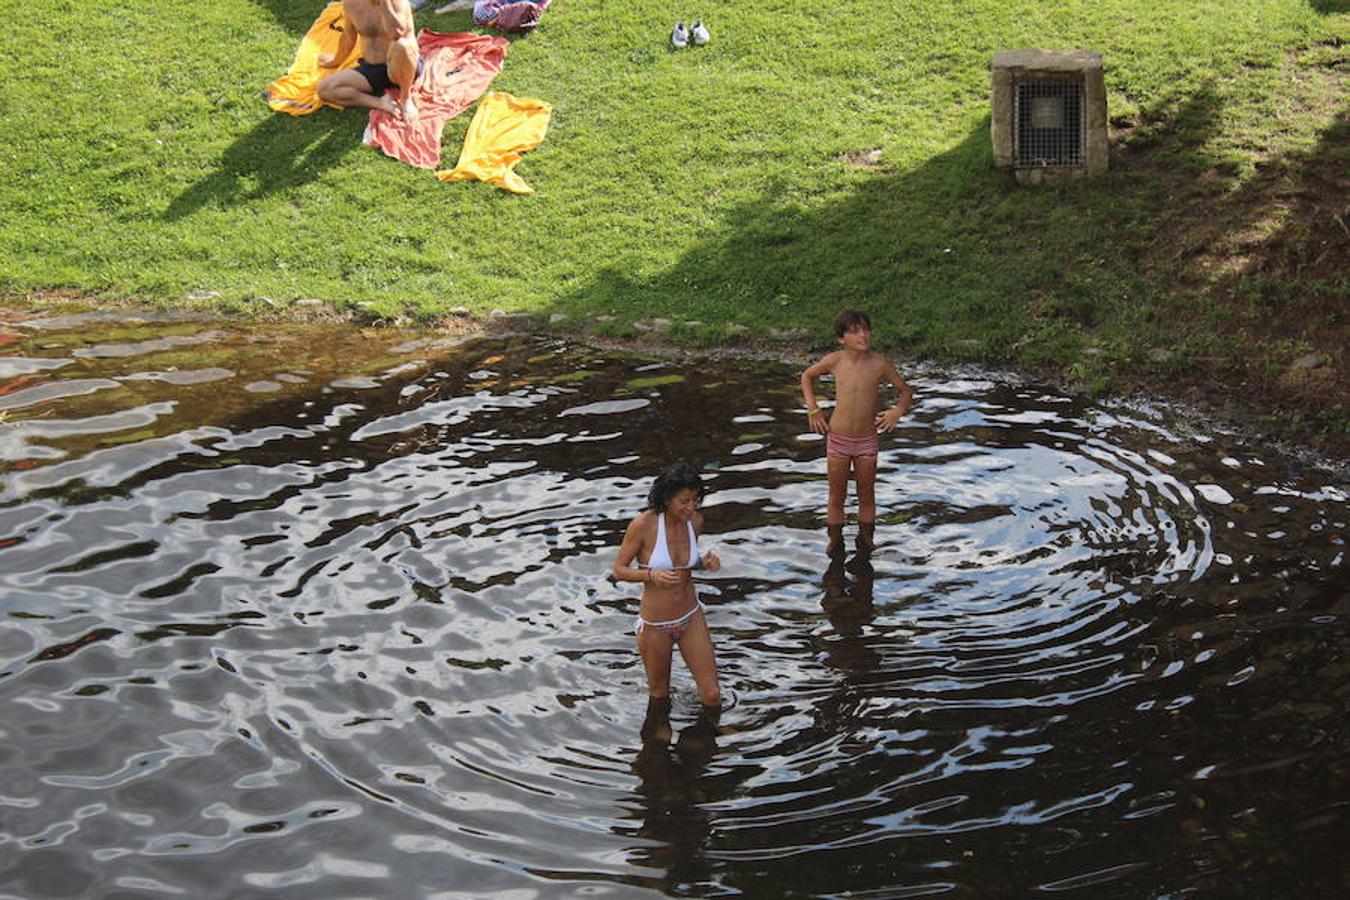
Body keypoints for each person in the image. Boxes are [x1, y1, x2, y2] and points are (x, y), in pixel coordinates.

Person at [800, 309, 915, 551]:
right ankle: (834, 544)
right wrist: (814, 409)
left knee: (866, 496)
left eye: (865, 329)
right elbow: (807, 376)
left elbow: (905, 391)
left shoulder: (879, 363)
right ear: (842, 339)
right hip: (838, 438)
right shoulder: (835, 360)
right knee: (836, 497)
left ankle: (866, 544)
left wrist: (897, 411)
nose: (862, 335)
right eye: (854, 331)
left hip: (866, 441)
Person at [611, 463, 722, 709]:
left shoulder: (695, 522)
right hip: (655, 625)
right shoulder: (643, 525)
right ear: (667, 498)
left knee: (712, 694)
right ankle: (658, 742)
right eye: (684, 501)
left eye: (695, 500)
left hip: (691, 616)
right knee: (659, 694)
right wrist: (650, 575)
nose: (691, 507)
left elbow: (686, 566)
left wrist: (704, 564)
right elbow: (618, 570)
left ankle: (713, 736)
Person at [317, 0, 422, 124]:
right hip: (372, 68)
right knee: (325, 89)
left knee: (401, 45)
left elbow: (397, 33)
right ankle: (382, 103)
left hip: (402, 65)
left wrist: (384, 4)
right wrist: (335, 60)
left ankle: (405, 98)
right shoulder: (351, 4)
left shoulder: (398, 3)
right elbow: (348, 37)